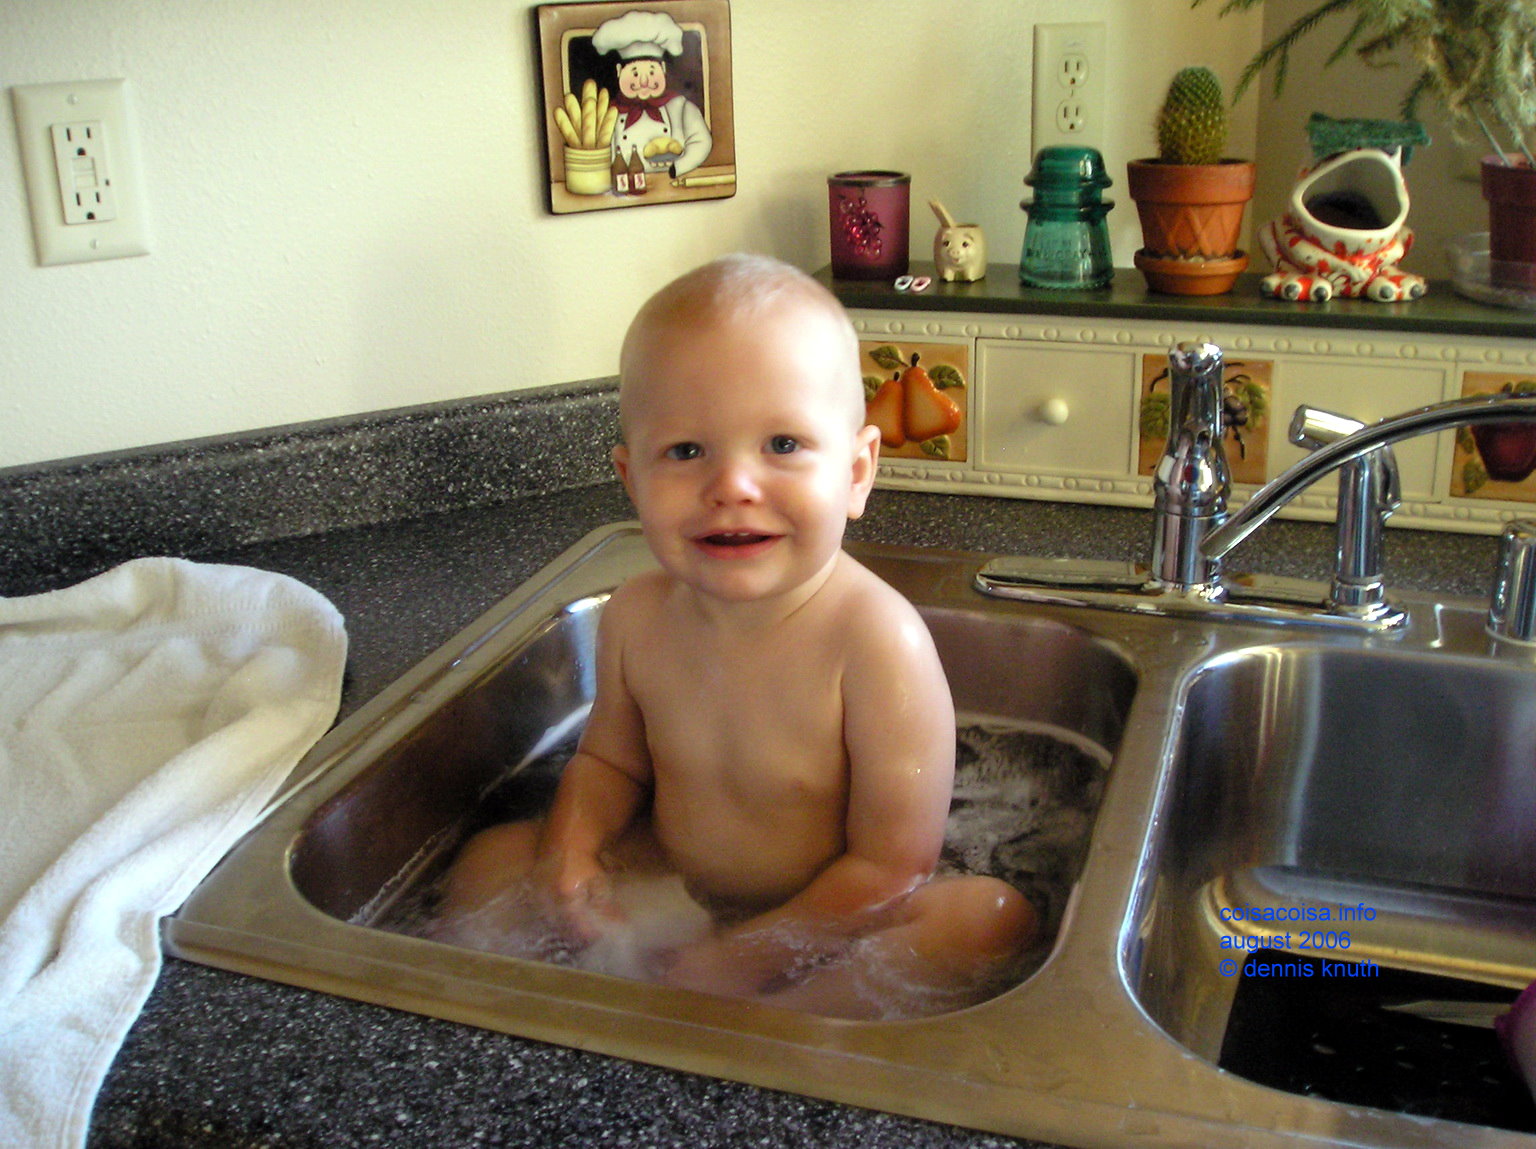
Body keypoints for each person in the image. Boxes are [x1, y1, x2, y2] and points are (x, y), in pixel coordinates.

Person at [439, 254, 1036, 1019]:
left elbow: (891, 864)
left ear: (857, 472)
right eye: (686, 451)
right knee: (496, 859)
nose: (733, 486)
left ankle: (792, 1023)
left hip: (828, 916)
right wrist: (572, 849)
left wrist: (745, 959)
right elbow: (610, 762)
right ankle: (495, 1024)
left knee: (986, 920)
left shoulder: (878, 641)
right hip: (672, 881)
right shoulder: (636, 614)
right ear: (631, 482)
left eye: (782, 444)